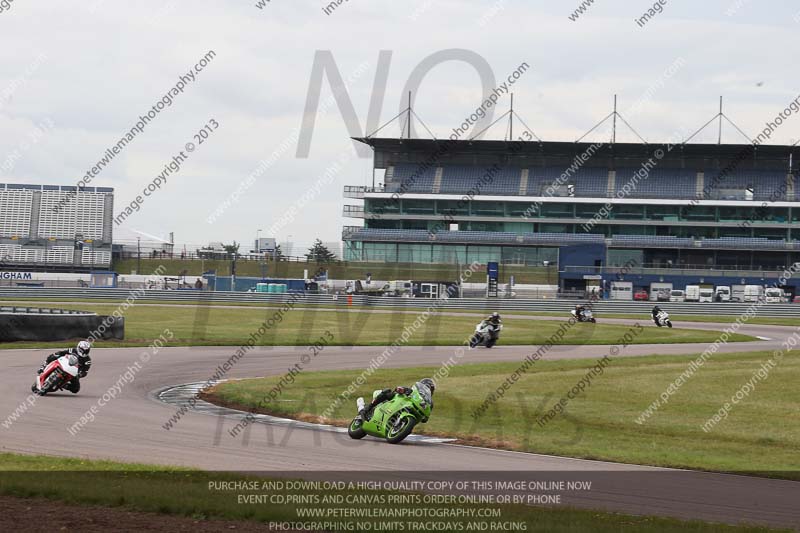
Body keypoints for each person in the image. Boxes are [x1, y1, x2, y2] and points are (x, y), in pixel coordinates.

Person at [358, 378, 435, 421]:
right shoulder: (412, 390)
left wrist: (425, 417)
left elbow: (425, 419)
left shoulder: (430, 403)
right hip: (398, 402)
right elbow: (398, 389)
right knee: (387, 392)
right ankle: (367, 409)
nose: (428, 389)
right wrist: (401, 390)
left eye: (430, 388)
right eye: (427, 386)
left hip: (412, 412)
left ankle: (400, 426)